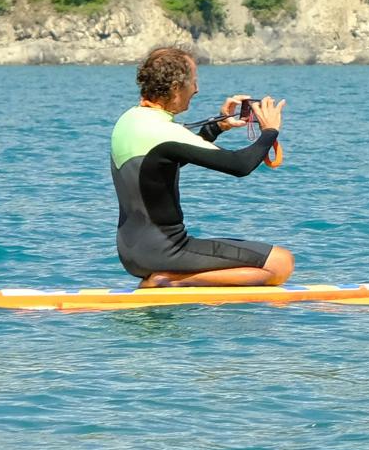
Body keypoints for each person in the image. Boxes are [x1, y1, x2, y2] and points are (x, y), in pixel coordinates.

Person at [109, 46, 294, 288]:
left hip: (132, 253)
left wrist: (217, 127)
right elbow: (240, 165)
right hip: (166, 251)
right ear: (176, 87)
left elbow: (162, 160)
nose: (196, 89)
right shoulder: (165, 132)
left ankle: (166, 278)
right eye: (193, 82)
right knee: (281, 263)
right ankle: (172, 281)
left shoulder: (129, 120)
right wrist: (270, 131)